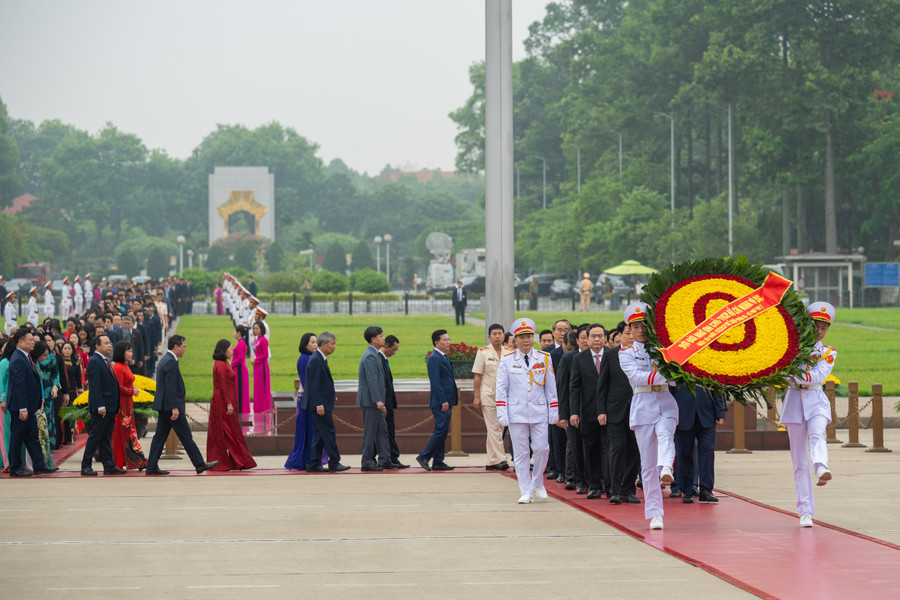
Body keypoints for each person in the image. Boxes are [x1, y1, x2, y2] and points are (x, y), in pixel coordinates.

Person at [619, 302, 678, 530]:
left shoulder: (664, 350)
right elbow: (637, 378)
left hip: (665, 401)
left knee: (666, 436)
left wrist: (665, 373)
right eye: (636, 326)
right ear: (629, 329)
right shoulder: (626, 354)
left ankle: (667, 469)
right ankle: (655, 513)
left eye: (644, 324)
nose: (641, 329)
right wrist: (664, 373)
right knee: (647, 465)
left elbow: (675, 379)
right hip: (643, 405)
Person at [782, 301, 837, 528]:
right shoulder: (790, 349)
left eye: (824, 327)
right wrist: (790, 373)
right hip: (794, 403)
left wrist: (792, 374)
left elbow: (817, 377)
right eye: (815, 325)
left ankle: (822, 466)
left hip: (816, 402)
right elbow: (782, 375)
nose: (819, 331)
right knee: (799, 463)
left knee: (817, 435)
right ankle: (805, 511)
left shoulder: (828, 353)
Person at [496, 318, 559, 503]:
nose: (526, 340)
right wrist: (502, 412)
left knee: (542, 448)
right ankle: (525, 490)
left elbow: (551, 387)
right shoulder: (507, 360)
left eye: (529, 336)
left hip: (539, 410)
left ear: (534, 338)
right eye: (522, 337)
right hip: (517, 412)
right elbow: (501, 388)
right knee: (521, 453)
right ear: (515, 339)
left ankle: (538, 481)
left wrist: (553, 410)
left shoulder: (544, 358)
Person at [145, 335, 218, 475]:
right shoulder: (170, 362)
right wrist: (174, 407)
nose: (185, 349)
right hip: (170, 407)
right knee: (185, 435)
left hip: (164, 406)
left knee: (160, 436)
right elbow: (170, 387)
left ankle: (151, 466)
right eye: (183, 346)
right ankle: (199, 464)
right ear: (176, 346)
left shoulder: (166, 360)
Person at [597, 321, 641, 504]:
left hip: (638, 410)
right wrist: (601, 411)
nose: (631, 336)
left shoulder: (643, 354)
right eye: (627, 333)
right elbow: (603, 385)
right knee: (616, 448)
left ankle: (629, 489)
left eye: (633, 333)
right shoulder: (611, 355)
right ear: (620, 335)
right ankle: (614, 489)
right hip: (615, 410)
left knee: (634, 450)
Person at [6, 329, 57, 476]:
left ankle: (39, 465)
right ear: (20, 342)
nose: (33, 342)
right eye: (30, 340)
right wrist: (22, 407)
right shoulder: (18, 359)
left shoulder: (26, 356)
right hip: (21, 406)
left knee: (32, 437)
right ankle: (15, 468)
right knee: (17, 437)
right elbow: (19, 385)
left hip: (29, 406)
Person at [569, 324, 608, 499]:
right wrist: (574, 412)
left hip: (610, 411)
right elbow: (574, 387)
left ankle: (610, 483)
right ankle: (594, 485)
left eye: (600, 336)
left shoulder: (614, 356)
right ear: (587, 339)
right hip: (588, 411)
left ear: (605, 338)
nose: (597, 339)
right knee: (590, 450)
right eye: (593, 336)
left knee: (610, 450)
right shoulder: (579, 359)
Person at [301, 331, 350, 472]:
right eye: (332, 344)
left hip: (321, 403)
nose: (334, 347)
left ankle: (313, 463)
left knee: (320, 435)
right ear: (323, 344)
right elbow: (314, 385)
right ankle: (334, 462)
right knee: (328, 433)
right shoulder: (316, 360)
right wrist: (319, 404)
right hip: (319, 405)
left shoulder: (320, 358)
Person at [79, 334, 126, 476]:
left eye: (110, 343)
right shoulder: (95, 361)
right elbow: (95, 386)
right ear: (97, 346)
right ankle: (86, 465)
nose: (109, 345)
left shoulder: (104, 361)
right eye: (106, 343)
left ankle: (108, 465)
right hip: (102, 407)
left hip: (110, 406)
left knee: (106, 437)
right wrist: (100, 406)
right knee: (95, 436)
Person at [207, 339, 257, 471]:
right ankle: (237, 460)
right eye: (229, 348)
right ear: (223, 350)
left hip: (225, 400)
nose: (232, 351)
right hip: (222, 402)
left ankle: (237, 460)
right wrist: (228, 404)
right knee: (229, 432)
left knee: (230, 431)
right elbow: (223, 386)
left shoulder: (223, 363)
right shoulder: (221, 365)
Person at [671, 384, 725, 504]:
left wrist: (720, 412)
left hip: (707, 416)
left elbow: (716, 387)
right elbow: (670, 392)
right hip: (683, 416)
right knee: (684, 455)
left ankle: (706, 490)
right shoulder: (675, 366)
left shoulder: (707, 365)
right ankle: (687, 491)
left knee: (707, 454)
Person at [416, 329, 458, 471]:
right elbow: (436, 382)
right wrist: (443, 400)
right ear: (436, 342)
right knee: (441, 430)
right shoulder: (434, 358)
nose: (448, 342)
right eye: (445, 340)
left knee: (443, 430)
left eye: (449, 339)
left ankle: (438, 461)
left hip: (447, 400)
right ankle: (424, 456)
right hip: (441, 401)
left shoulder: (443, 357)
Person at [357, 326, 395, 471]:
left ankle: (385, 459)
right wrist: (378, 401)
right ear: (373, 339)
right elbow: (372, 380)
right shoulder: (371, 356)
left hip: (376, 401)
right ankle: (366, 461)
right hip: (371, 402)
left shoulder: (375, 353)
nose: (384, 338)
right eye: (381, 336)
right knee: (371, 431)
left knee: (382, 431)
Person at [472, 323, 509, 471]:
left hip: (505, 397)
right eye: (494, 334)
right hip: (488, 395)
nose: (497, 336)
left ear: (504, 335)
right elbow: (477, 376)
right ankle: (502, 459)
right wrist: (476, 396)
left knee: (498, 429)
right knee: (494, 428)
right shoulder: (483, 353)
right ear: (489, 337)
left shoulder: (510, 353)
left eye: (500, 333)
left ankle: (492, 461)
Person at [110, 341, 147, 470]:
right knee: (123, 433)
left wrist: (132, 388)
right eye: (129, 351)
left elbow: (126, 382)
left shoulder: (125, 366)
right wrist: (132, 391)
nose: (131, 353)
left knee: (129, 432)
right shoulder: (118, 367)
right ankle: (122, 462)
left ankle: (132, 461)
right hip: (121, 405)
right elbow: (117, 387)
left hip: (128, 404)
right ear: (121, 352)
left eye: (131, 351)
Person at [285, 332, 318, 470]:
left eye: (316, 342)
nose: (315, 345)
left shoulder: (311, 357)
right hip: (306, 400)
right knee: (307, 432)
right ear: (305, 344)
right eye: (312, 342)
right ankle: (304, 460)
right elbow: (307, 382)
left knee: (311, 431)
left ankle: (310, 459)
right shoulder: (305, 359)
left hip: (308, 399)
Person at [379, 334, 407, 468]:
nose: (395, 353)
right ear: (386, 346)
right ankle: (388, 458)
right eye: (394, 349)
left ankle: (392, 457)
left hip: (388, 402)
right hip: (383, 403)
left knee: (390, 431)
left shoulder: (384, 360)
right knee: (386, 432)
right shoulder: (377, 359)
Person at [252, 320, 272, 429]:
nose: (255, 330)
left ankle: (264, 407)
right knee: (257, 387)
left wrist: (256, 360)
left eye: (257, 328)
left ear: (262, 329)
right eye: (254, 328)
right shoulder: (257, 339)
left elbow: (265, 354)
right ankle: (258, 407)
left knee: (262, 387)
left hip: (262, 366)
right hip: (257, 366)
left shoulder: (264, 340)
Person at [231, 325, 251, 420]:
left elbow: (240, 359)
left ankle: (242, 410)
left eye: (234, 332)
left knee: (240, 390)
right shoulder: (240, 343)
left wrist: (231, 364)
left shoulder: (241, 344)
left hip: (240, 370)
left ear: (239, 333)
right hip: (238, 368)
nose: (233, 333)